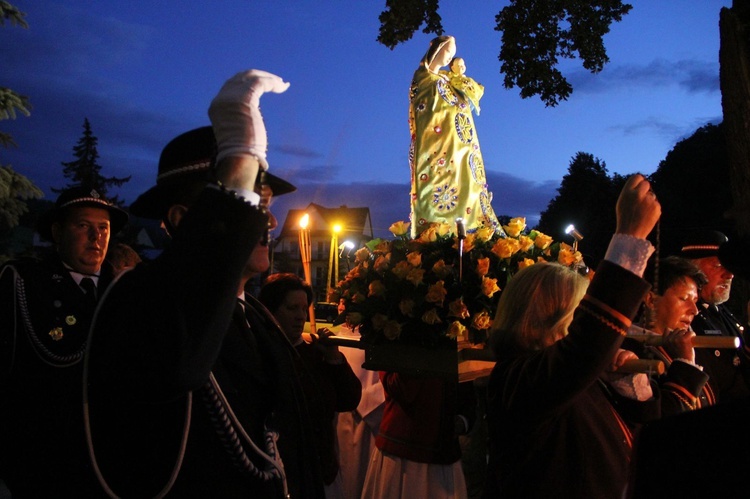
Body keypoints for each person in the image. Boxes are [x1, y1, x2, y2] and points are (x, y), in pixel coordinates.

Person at [83, 70, 325, 498]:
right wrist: (239, 161)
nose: (265, 221)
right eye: (250, 202)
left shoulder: (253, 314)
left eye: (262, 204)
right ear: (181, 220)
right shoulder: (139, 299)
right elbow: (182, 364)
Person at [482, 174, 662, 498]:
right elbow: (585, 346)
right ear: (553, 316)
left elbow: (643, 436)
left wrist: (627, 387)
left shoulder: (572, 376)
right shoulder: (516, 380)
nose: (585, 322)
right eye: (581, 310)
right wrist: (629, 238)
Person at [0, 187, 127, 496]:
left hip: (112, 465)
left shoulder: (125, 288)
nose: (96, 238)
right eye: (83, 226)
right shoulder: (24, 283)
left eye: (104, 228)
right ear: (57, 232)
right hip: (43, 465)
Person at [258, 272, 362, 493]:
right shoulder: (261, 357)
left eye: (304, 308)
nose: (300, 316)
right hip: (284, 476)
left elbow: (349, 399)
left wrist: (334, 359)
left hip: (323, 471)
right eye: (292, 308)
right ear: (271, 310)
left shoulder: (315, 354)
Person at [409, 35, 500, 237]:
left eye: (452, 53)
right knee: (438, 190)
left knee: (466, 187)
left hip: (460, 146)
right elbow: (423, 107)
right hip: (435, 146)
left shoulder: (448, 79)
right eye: (447, 51)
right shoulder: (423, 77)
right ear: (436, 50)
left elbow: (474, 93)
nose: (450, 56)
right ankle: (437, 234)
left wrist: (458, 73)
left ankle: (472, 231)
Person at [361, 372, 477, 499]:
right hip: (403, 451)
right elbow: (400, 388)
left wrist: (463, 419)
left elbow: (465, 384)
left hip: (442, 453)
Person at [624, 256, 714, 412]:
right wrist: (685, 363)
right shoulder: (629, 351)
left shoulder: (691, 345)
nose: (694, 310)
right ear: (651, 300)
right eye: (684, 298)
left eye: (695, 300)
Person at [680, 230, 750, 403]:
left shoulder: (721, 313)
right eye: (717, 266)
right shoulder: (685, 318)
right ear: (691, 269)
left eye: (730, 267)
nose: (730, 274)